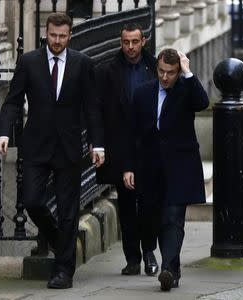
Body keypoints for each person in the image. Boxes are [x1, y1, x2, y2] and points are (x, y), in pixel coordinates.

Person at [0, 12, 104, 289]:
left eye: (62, 36)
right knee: (32, 201)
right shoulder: (30, 61)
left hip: (68, 147)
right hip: (36, 145)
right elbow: (12, 102)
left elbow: (92, 107)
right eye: (53, 36)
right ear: (47, 33)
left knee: (69, 210)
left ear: (70, 36)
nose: (57, 41)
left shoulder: (82, 64)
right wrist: (4, 132)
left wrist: (97, 142)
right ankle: (59, 241)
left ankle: (63, 271)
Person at [123, 48, 209, 291]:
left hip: (180, 166)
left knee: (173, 218)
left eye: (171, 73)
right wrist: (128, 167)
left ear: (178, 71)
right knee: (152, 219)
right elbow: (132, 133)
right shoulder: (142, 93)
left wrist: (188, 72)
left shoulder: (186, 90)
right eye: (161, 71)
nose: (165, 77)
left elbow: (202, 102)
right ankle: (173, 265)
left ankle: (168, 269)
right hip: (149, 167)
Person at [94, 23, 159, 276]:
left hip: (150, 146)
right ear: (120, 43)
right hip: (121, 146)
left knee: (150, 205)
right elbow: (98, 110)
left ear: (143, 41)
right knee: (128, 206)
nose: (130, 47)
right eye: (125, 42)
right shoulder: (108, 71)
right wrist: (99, 143)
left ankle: (150, 252)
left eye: (134, 41)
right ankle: (133, 259)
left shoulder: (155, 67)